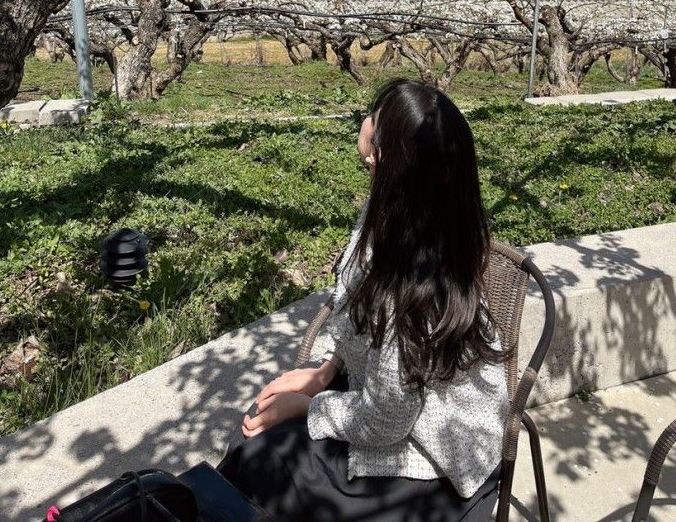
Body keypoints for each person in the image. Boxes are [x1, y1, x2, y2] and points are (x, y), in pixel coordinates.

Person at [218, 78, 510, 521]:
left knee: (262, 458)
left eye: (375, 121)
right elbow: (358, 313)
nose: (364, 122)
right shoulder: (407, 209)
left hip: (431, 459)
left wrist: (311, 406)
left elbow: (386, 420)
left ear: (384, 159)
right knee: (258, 429)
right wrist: (324, 373)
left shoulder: (411, 286)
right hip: (395, 397)